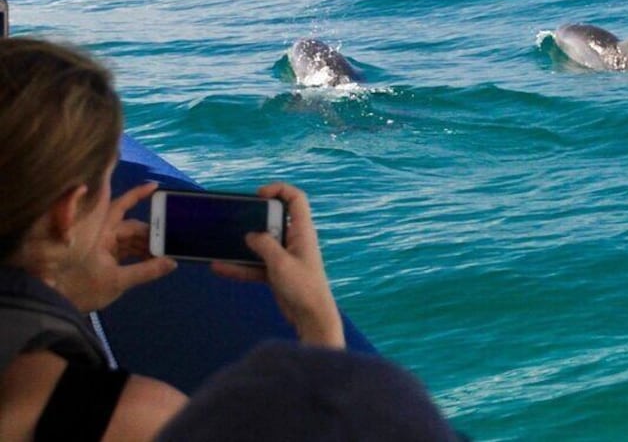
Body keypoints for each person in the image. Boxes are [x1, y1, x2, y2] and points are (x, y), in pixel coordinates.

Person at [0, 38, 460, 441]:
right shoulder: (127, 417)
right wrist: (320, 326)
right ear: (66, 213)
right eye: (108, 189)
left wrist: (66, 290)